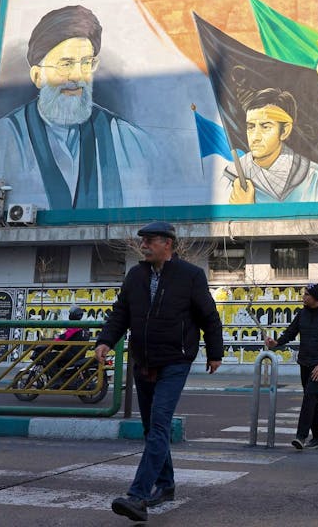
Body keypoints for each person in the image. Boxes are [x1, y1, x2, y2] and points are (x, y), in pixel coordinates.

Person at [94, 221, 223, 522]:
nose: (144, 246)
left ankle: (138, 496)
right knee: (152, 428)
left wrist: (215, 352)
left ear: (167, 244)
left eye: (150, 241)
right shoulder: (136, 275)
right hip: (144, 362)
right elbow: (120, 313)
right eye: (143, 241)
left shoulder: (190, 275)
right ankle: (165, 485)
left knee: (160, 424)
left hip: (175, 361)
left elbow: (209, 316)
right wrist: (105, 341)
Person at [0, 5, 154, 209]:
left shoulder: (129, 140)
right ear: (38, 76)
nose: (76, 76)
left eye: (85, 64)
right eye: (65, 64)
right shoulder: (3, 137)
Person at [264, 283, 318, 450]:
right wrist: (276, 343)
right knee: (311, 396)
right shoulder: (302, 313)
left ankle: (301, 436)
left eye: (306, 294)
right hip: (304, 361)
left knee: (309, 395)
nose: (303, 297)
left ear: (316, 298)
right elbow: (291, 332)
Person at [228, 88, 318, 203]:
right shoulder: (230, 175)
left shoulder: (314, 177)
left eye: (265, 127)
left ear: (285, 131)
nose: (255, 137)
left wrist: (246, 212)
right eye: (251, 127)